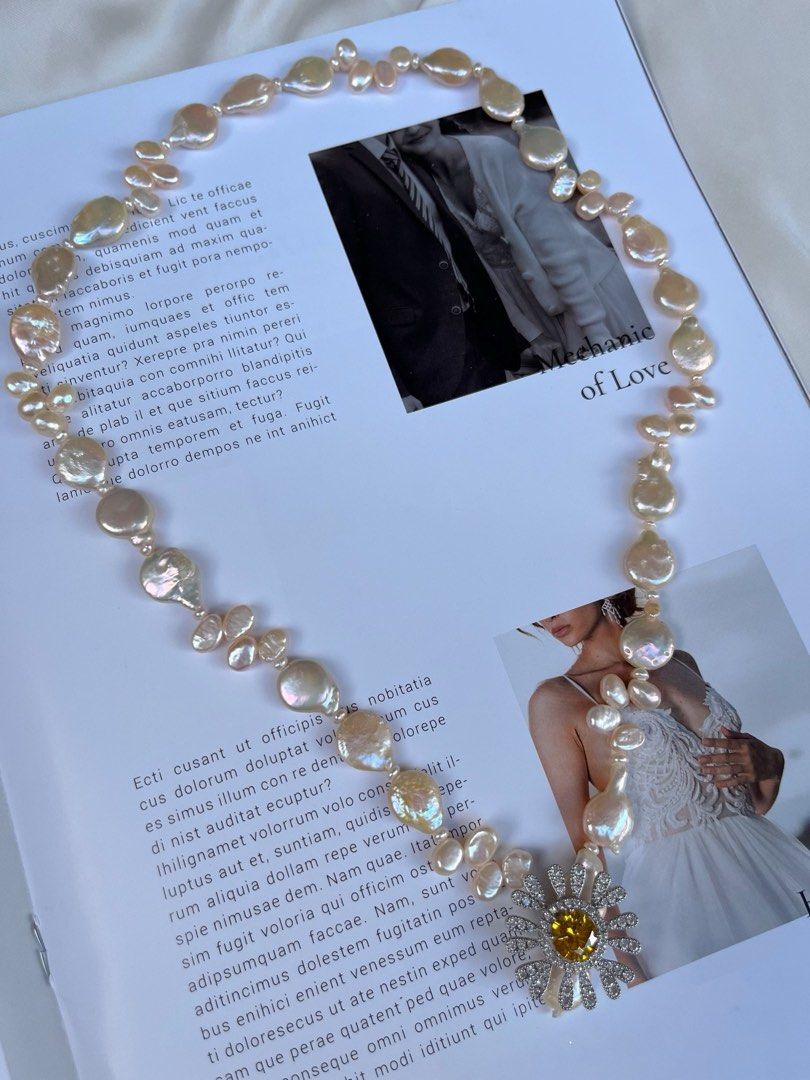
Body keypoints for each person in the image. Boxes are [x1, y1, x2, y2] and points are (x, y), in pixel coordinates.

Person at [527, 591, 810, 978]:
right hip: (678, 903)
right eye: (534, 614)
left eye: (554, 596)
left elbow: (748, 805)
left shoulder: (680, 661)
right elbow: (586, 854)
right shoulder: (556, 700)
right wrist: (630, 969)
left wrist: (772, 764)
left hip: (768, 866)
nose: (546, 617)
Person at [390, 120, 646, 368]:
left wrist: (595, 329)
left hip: (588, 295)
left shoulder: (494, 153)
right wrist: (529, 333)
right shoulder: (419, 183)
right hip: (533, 311)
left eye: (413, 118)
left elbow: (558, 246)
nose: (412, 128)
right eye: (398, 127)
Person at [310, 135, 529, 409]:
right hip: (423, 357)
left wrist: (510, 338)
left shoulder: (408, 148)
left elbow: (453, 249)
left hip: (479, 338)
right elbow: (346, 286)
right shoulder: (329, 165)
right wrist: (396, 387)